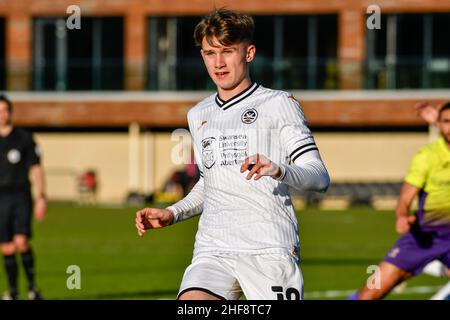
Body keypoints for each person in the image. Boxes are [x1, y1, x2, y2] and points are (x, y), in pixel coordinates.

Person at [135, 9, 330, 300]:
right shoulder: (198, 114)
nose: (218, 62)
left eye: (227, 51)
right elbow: (210, 182)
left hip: (269, 250)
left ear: (248, 53)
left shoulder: (279, 104)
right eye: (209, 53)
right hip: (213, 248)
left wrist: (279, 170)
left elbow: (320, 177)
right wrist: (172, 213)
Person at [350, 102, 450, 300]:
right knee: (370, 292)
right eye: (446, 122)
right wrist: (402, 215)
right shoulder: (427, 155)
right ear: (438, 125)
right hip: (423, 236)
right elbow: (405, 197)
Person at [0, 94, 46, 300]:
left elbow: (36, 168)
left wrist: (42, 196)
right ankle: (13, 291)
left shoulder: (24, 138)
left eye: (4, 111)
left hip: (20, 196)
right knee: (7, 247)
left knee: (22, 242)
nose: (1, 115)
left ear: (10, 112)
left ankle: (33, 288)